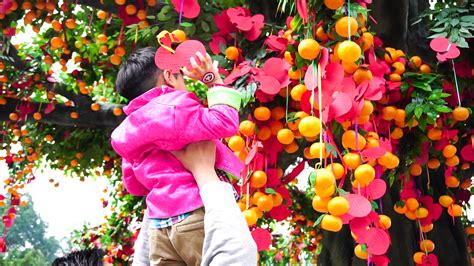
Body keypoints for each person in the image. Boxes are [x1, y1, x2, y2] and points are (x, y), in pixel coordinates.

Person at [111, 46, 244, 265]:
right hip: (194, 214)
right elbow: (225, 121)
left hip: (159, 229)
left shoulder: (126, 132)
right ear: (170, 76)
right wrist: (213, 81)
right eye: (181, 76)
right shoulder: (175, 106)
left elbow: (134, 185)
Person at [133, 141, 258, 265]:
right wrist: (204, 171)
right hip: (190, 213)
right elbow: (237, 254)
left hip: (161, 221)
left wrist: (159, 192)